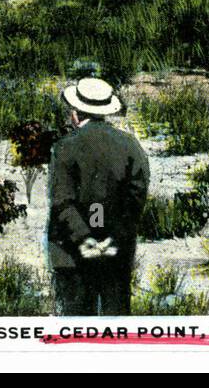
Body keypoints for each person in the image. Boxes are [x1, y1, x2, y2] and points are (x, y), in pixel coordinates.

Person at [47, 77, 149, 316]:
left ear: (75, 113)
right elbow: (135, 199)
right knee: (117, 323)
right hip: (116, 251)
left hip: (72, 253)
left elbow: (63, 203)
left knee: (77, 326)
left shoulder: (64, 147)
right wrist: (113, 238)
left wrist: (85, 239)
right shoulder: (130, 145)